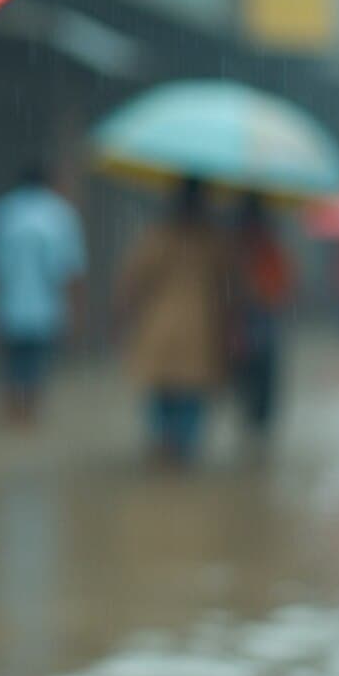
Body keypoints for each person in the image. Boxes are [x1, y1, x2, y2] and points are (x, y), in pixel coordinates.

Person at [117, 177, 235, 466]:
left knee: (162, 395)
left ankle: (164, 451)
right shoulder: (214, 241)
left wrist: (123, 318)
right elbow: (230, 289)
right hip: (200, 330)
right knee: (190, 400)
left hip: (158, 327)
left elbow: (131, 282)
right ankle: (181, 457)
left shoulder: (156, 237)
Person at [0, 161, 87, 423]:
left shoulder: (2, 211)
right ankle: (31, 408)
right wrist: (77, 308)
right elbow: (72, 268)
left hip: (7, 301)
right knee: (37, 358)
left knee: (12, 358)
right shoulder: (60, 213)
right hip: (46, 303)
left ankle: (14, 406)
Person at [230, 194, 296, 438]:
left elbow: (283, 285)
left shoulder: (265, 248)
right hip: (250, 320)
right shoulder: (245, 247)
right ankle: (255, 424)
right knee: (255, 378)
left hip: (258, 319)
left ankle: (255, 424)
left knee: (256, 379)